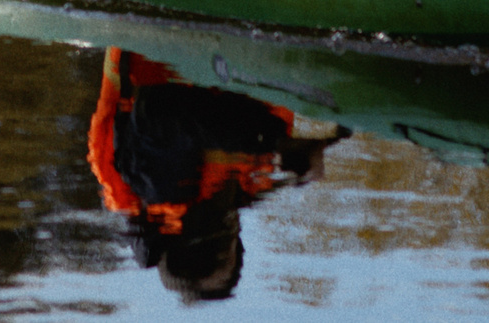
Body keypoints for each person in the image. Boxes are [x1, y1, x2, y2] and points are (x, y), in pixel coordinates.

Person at [88, 48, 338, 301]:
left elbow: (158, 109)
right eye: (224, 249)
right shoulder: (241, 188)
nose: (222, 237)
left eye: (206, 252)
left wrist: (271, 142)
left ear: (178, 244)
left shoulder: (154, 186)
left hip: (170, 35)